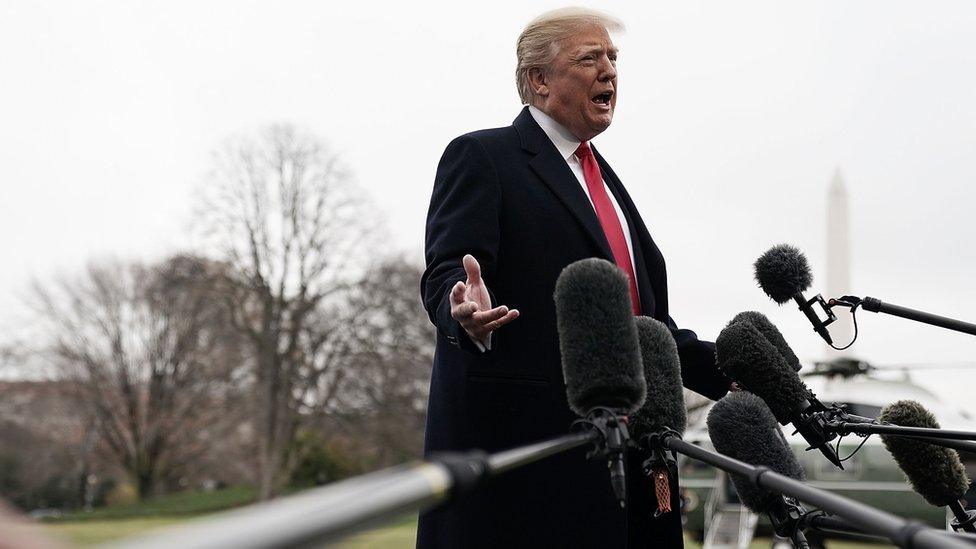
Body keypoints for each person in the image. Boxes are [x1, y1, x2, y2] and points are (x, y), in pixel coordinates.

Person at [418, 8, 731, 548]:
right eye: (590, 58)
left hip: (637, 457)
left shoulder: (606, 181)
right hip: (535, 470)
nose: (609, 71)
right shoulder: (484, 156)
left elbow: (643, 325)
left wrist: (729, 375)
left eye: (613, 58)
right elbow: (450, 268)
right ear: (539, 80)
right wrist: (460, 310)